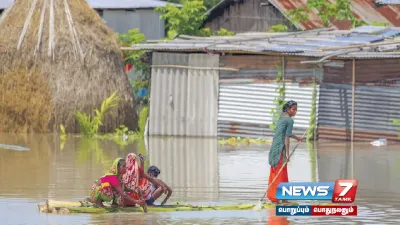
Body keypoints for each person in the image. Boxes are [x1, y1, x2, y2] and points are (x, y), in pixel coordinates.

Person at [267, 100, 303, 204]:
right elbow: (286, 138)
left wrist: (297, 138)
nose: (295, 112)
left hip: (274, 148)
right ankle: (281, 198)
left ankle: (276, 197)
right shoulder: (290, 121)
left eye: (296, 110)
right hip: (280, 149)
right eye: (293, 109)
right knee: (281, 173)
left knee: (275, 172)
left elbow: (287, 133)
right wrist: (287, 154)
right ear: (288, 109)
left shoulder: (282, 117)